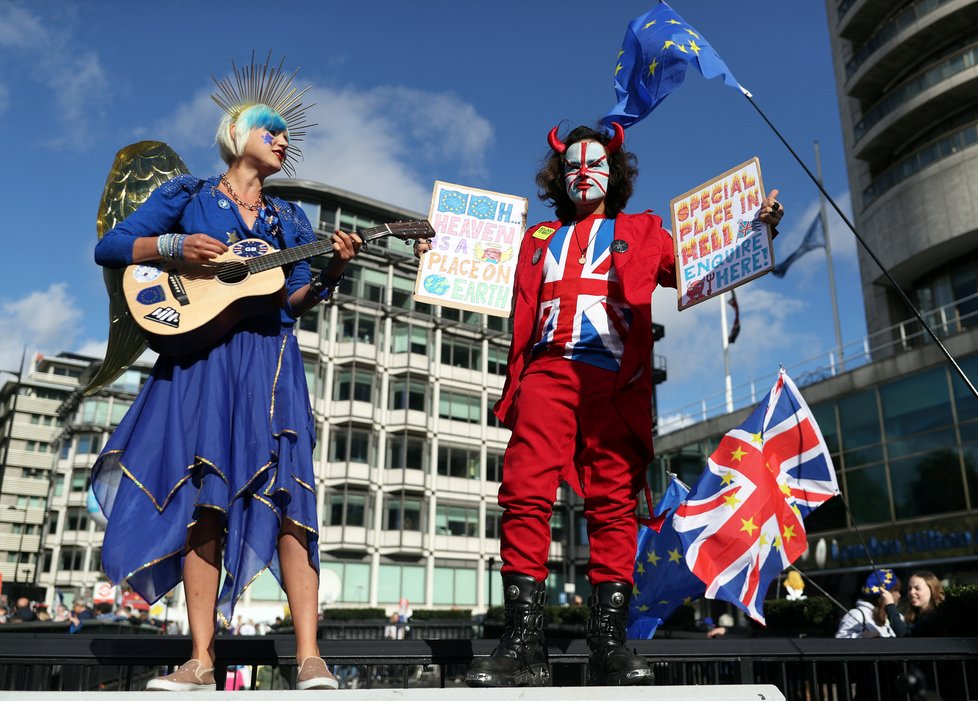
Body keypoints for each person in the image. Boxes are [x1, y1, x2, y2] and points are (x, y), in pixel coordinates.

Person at [419, 123, 784, 687]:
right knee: (524, 491)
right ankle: (522, 643)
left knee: (613, 501)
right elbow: (476, 266)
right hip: (546, 371)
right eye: (571, 166)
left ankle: (608, 644)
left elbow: (696, 265)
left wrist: (755, 230)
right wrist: (436, 249)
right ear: (559, 178)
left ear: (614, 174)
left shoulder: (643, 231)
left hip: (612, 378)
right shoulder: (536, 239)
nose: (582, 173)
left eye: (594, 164)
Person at [91, 55, 361, 692]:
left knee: (291, 501)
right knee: (203, 504)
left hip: (270, 364)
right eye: (272, 128)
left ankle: (311, 657)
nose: (284, 138)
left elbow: (294, 298)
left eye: (286, 135)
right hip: (204, 362)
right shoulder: (186, 198)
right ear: (238, 134)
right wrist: (175, 247)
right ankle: (201, 659)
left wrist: (331, 272)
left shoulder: (289, 221)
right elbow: (110, 247)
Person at [835, 568, 900, 639]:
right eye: (896, 590)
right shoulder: (857, 615)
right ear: (883, 595)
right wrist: (861, 636)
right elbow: (840, 641)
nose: (899, 595)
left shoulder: (895, 617)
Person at [882, 571, 945, 637]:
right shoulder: (914, 616)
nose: (911, 592)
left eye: (917, 588)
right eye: (909, 588)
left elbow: (905, 634)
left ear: (932, 590)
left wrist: (890, 605)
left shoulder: (936, 616)